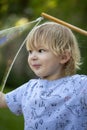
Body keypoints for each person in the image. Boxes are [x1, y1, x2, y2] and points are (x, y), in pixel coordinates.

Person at [0, 22, 87, 130]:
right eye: (30, 51)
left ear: (64, 57)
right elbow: (3, 100)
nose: (32, 57)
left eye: (41, 50)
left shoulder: (81, 85)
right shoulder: (29, 88)